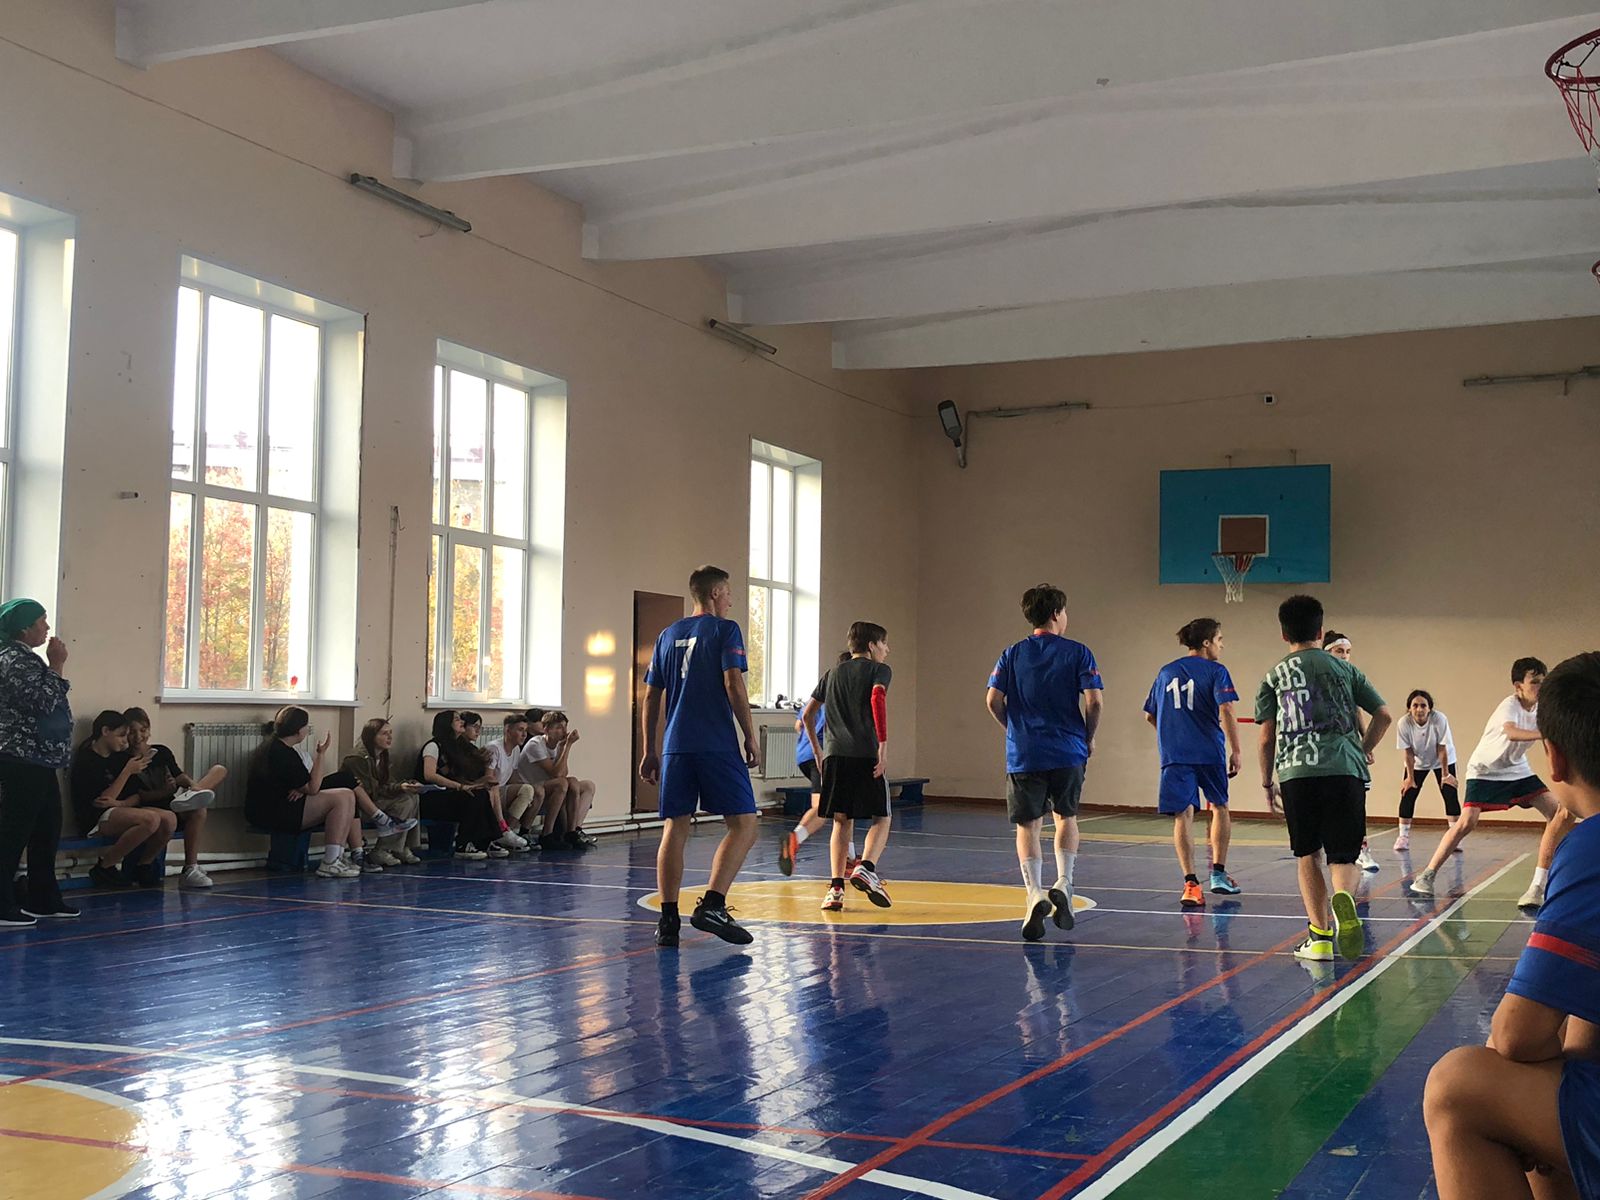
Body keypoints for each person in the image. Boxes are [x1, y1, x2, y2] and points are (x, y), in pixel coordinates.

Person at [1422, 650, 1600, 1200]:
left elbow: (1516, 1035)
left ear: (1556, 759)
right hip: (1490, 776)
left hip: (1511, 781)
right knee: (1572, 1033)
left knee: (1457, 1086)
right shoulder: (1508, 710)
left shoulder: (1590, 845)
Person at [1257, 595, 1392, 963]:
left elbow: (1266, 738)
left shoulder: (1273, 676)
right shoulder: (1345, 669)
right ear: (1320, 631)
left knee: (1307, 853)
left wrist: (1267, 782)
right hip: (1344, 769)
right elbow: (1383, 715)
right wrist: (1363, 749)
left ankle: (1318, 938)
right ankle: (1343, 897)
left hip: (1297, 773)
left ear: (1284, 634)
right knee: (1344, 854)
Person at [640, 564, 761, 947]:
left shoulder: (667, 634)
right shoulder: (725, 630)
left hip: (676, 744)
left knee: (674, 827)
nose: (731, 601)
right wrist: (750, 734)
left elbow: (651, 696)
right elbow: (733, 682)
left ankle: (668, 922)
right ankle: (713, 903)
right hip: (715, 741)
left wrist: (649, 749)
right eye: (729, 593)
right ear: (715, 593)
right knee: (744, 824)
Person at [1410, 658, 1574, 910]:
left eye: (1543, 682)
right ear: (1518, 686)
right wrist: (1544, 734)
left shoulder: (1542, 709)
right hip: (1485, 770)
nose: (1540, 687)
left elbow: (1549, 743)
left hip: (1517, 769)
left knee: (1560, 813)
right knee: (1467, 823)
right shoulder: (1509, 705)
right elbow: (1511, 732)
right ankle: (1427, 874)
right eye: (1535, 682)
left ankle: (1537, 886)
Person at [985, 585, 1101, 940]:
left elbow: (992, 700)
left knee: (1028, 825)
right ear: (1056, 614)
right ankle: (1064, 881)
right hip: (1067, 750)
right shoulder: (1078, 652)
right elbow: (1094, 701)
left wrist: (1014, 729)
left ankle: (1034, 892)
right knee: (1066, 817)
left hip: (1025, 752)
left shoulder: (1011, 654)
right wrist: (1088, 736)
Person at [1144, 617, 1242, 910]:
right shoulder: (1217, 671)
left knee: (1182, 814)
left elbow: (1150, 714)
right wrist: (1236, 750)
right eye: (1220, 639)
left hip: (1175, 754)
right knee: (1219, 806)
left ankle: (1190, 884)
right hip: (1209, 751)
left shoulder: (1166, 672)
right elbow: (1227, 708)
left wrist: (1171, 735)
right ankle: (1219, 874)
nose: (1222, 645)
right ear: (1206, 643)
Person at [246, 706, 414, 878]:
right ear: (298, 730)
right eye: (306, 726)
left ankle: (353, 853)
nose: (307, 729)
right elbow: (313, 787)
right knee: (343, 796)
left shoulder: (280, 748)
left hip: (282, 804)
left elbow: (303, 784)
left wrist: (302, 788)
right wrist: (321, 754)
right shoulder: (282, 753)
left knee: (346, 782)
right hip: (274, 812)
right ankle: (333, 859)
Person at [806, 620, 895, 914]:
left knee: (841, 822)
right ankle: (866, 867)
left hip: (834, 756)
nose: (887, 650)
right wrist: (883, 745)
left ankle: (835, 890)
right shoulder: (879, 670)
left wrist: (818, 751)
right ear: (871, 645)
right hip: (865, 754)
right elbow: (877, 698)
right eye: (884, 644)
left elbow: (807, 715)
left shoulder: (832, 674)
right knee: (882, 817)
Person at [0, 598, 75, 927]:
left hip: (39, 759)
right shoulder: (13, 659)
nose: (47, 627)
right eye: (41, 621)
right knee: (14, 832)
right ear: (23, 628)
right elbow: (43, 701)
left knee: (47, 829)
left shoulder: (27, 658)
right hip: (21, 758)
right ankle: (2, 904)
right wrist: (56, 664)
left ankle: (43, 898)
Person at [71, 710, 177, 889]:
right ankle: (105, 865)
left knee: (169, 819)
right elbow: (103, 800)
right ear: (105, 731)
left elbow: (136, 795)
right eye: (121, 736)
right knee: (150, 820)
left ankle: (144, 864)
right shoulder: (87, 760)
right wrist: (127, 772)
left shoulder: (119, 757)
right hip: (95, 818)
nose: (125, 741)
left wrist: (121, 803)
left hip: (119, 809)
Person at [121, 707, 225, 888]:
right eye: (132, 732)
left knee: (213, 782)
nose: (138, 737)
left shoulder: (161, 752)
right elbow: (139, 797)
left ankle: (190, 868)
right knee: (181, 813)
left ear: (149, 730)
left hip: (171, 804)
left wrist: (191, 785)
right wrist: (165, 791)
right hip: (149, 809)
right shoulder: (123, 760)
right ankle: (194, 796)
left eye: (143, 730)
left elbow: (178, 776)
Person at [780, 652, 858, 878]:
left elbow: (799, 724)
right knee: (824, 809)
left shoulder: (822, 690)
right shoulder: (846, 694)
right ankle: (795, 839)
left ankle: (849, 858)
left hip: (804, 755)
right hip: (825, 756)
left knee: (843, 809)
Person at [1323, 631, 1382, 873]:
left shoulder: (1350, 677)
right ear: (1327, 652)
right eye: (1340, 651)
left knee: (1356, 802)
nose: (1345, 656)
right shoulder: (1318, 679)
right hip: (1323, 754)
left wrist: (1366, 744)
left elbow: (1359, 711)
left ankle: (1361, 849)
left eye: (1348, 652)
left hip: (1348, 752)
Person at [417, 709, 503, 860]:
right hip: (432, 797)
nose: (461, 721)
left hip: (449, 794)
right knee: (472, 798)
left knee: (481, 793)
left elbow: (457, 776)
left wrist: (475, 784)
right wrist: (459, 787)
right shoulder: (433, 746)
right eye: (457, 719)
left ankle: (485, 840)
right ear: (446, 724)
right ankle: (463, 844)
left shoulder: (455, 748)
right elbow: (429, 775)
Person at [342, 718, 425, 867]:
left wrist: (405, 785)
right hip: (361, 806)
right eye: (384, 733)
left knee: (413, 796)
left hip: (376, 798)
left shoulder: (383, 756)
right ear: (371, 736)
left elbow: (387, 782)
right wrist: (399, 788)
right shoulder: (358, 759)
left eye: (390, 733)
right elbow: (370, 791)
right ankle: (382, 849)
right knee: (404, 801)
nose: (390, 737)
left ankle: (402, 847)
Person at [1392, 689, 1460, 853]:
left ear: (1429, 708)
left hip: (1443, 760)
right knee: (1408, 793)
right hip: (1418, 761)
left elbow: (1442, 748)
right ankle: (1403, 837)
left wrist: (1445, 774)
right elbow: (1408, 752)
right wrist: (1410, 777)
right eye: (1415, 705)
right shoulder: (1403, 723)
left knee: (1449, 793)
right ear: (1409, 708)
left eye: (1423, 705)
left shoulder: (1439, 719)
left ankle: (1455, 838)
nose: (1419, 709)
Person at [461, 711, 528, 853]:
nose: (524, 734)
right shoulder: (493, 748)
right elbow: (487, 777)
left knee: (529, 790)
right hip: (484, 789)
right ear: (508, 730)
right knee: (493, 783)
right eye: (520, 730)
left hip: (495, 789)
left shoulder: (515, 749)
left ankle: (509, 832)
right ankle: (501, 830)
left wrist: (527, 792)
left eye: (525, 731)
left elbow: (513, 776)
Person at [528, 711, 596, 849]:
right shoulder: (535, 745)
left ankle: (574, 831)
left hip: (551, 786)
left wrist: (562, 749)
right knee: (563, 783)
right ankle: (547, 833)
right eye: (558, 727)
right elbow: (557, 774)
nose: (564, 731)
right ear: (546, 729)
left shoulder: (558, 745)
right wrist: (568, 746)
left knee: (585, 784)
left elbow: (563, 773)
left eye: (565, 727)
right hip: (533, 787)